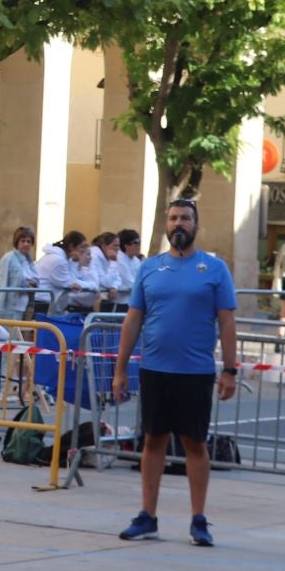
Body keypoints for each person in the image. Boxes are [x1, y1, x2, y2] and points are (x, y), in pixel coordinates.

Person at [112, 197, 239, 547]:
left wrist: (230, 370)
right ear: (166, 224)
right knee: (153, 440)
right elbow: (133, 320)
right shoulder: (150, 268)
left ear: (196, 225)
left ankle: (198, 520)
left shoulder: (214, 269)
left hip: (195, 372)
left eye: (185, 218)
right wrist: (120, 370)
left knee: (194, 443)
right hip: (154, 369)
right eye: (173, 218)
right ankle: (147, 516)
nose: (178, 223)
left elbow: (227, 322)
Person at [34, 231, 93, 314]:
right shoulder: (59, 260)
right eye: (82, 247)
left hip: (49, 301)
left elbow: (73, 278)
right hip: (43, 301)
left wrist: (73, 262)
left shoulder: (64, 259)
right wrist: (91, 286)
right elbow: (69, 283)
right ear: (71, 246)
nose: (84, 250)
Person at [0, 226, 38, 322]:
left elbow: (35, 279)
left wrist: (30, 284)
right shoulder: (8, 258)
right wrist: (26, 284)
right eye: (23, 241)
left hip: (25, 306)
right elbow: (4, 280)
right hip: (9, 307)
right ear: (17, 242)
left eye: (29, 241)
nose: (26, 244)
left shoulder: (29, 260)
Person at [90, 233, 125, 312]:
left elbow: (118, 277)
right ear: (104, 246)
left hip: (103, 300)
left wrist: (114, 287)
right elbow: (105, 282)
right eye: (115, 245)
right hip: (92, 302)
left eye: (118, 245)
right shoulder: (94, 257)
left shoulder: (110, 257)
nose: (118, 249)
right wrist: (113, 262)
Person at [116, 230, 144, 307]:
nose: (139, 246)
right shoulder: (119, 259)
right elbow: (130, 283)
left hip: (132, 302)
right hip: (119, 303)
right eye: (136, 243)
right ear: (126, 246)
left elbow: (141, 278)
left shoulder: (136, 260)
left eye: (139, 242)